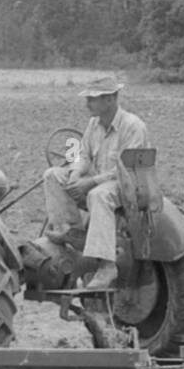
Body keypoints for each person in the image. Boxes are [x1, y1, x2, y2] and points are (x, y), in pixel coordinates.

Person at [42, 75, 152, 288]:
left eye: (92, 99)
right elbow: (83, 156)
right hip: (100, 183)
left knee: (99, 194)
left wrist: (90, 182)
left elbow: (126, 170)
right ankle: (71, 234)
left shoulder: (133, 127)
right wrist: (75, 173)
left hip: (129, 187)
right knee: (53, 175)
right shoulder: (94, 124)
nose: (87, 104)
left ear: (110, 99)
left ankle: (107, 266)